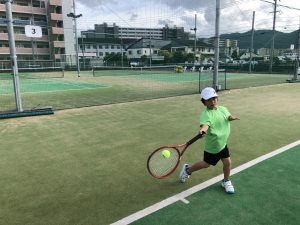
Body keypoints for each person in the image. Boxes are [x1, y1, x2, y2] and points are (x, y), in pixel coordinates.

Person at [179, 87, 239, 194]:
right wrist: (202, 130)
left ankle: (226, 181)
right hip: (213, 147)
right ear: (204, 103)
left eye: (214, 98)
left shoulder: (223, 109)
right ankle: (187, 170)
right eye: (209, 100)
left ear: (217, 98)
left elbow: (227, 116)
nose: (212, 101)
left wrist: (231, 117)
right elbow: (205, 125)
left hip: (222, 144)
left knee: (227, 162)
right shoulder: (206, 114)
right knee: (206, 164)